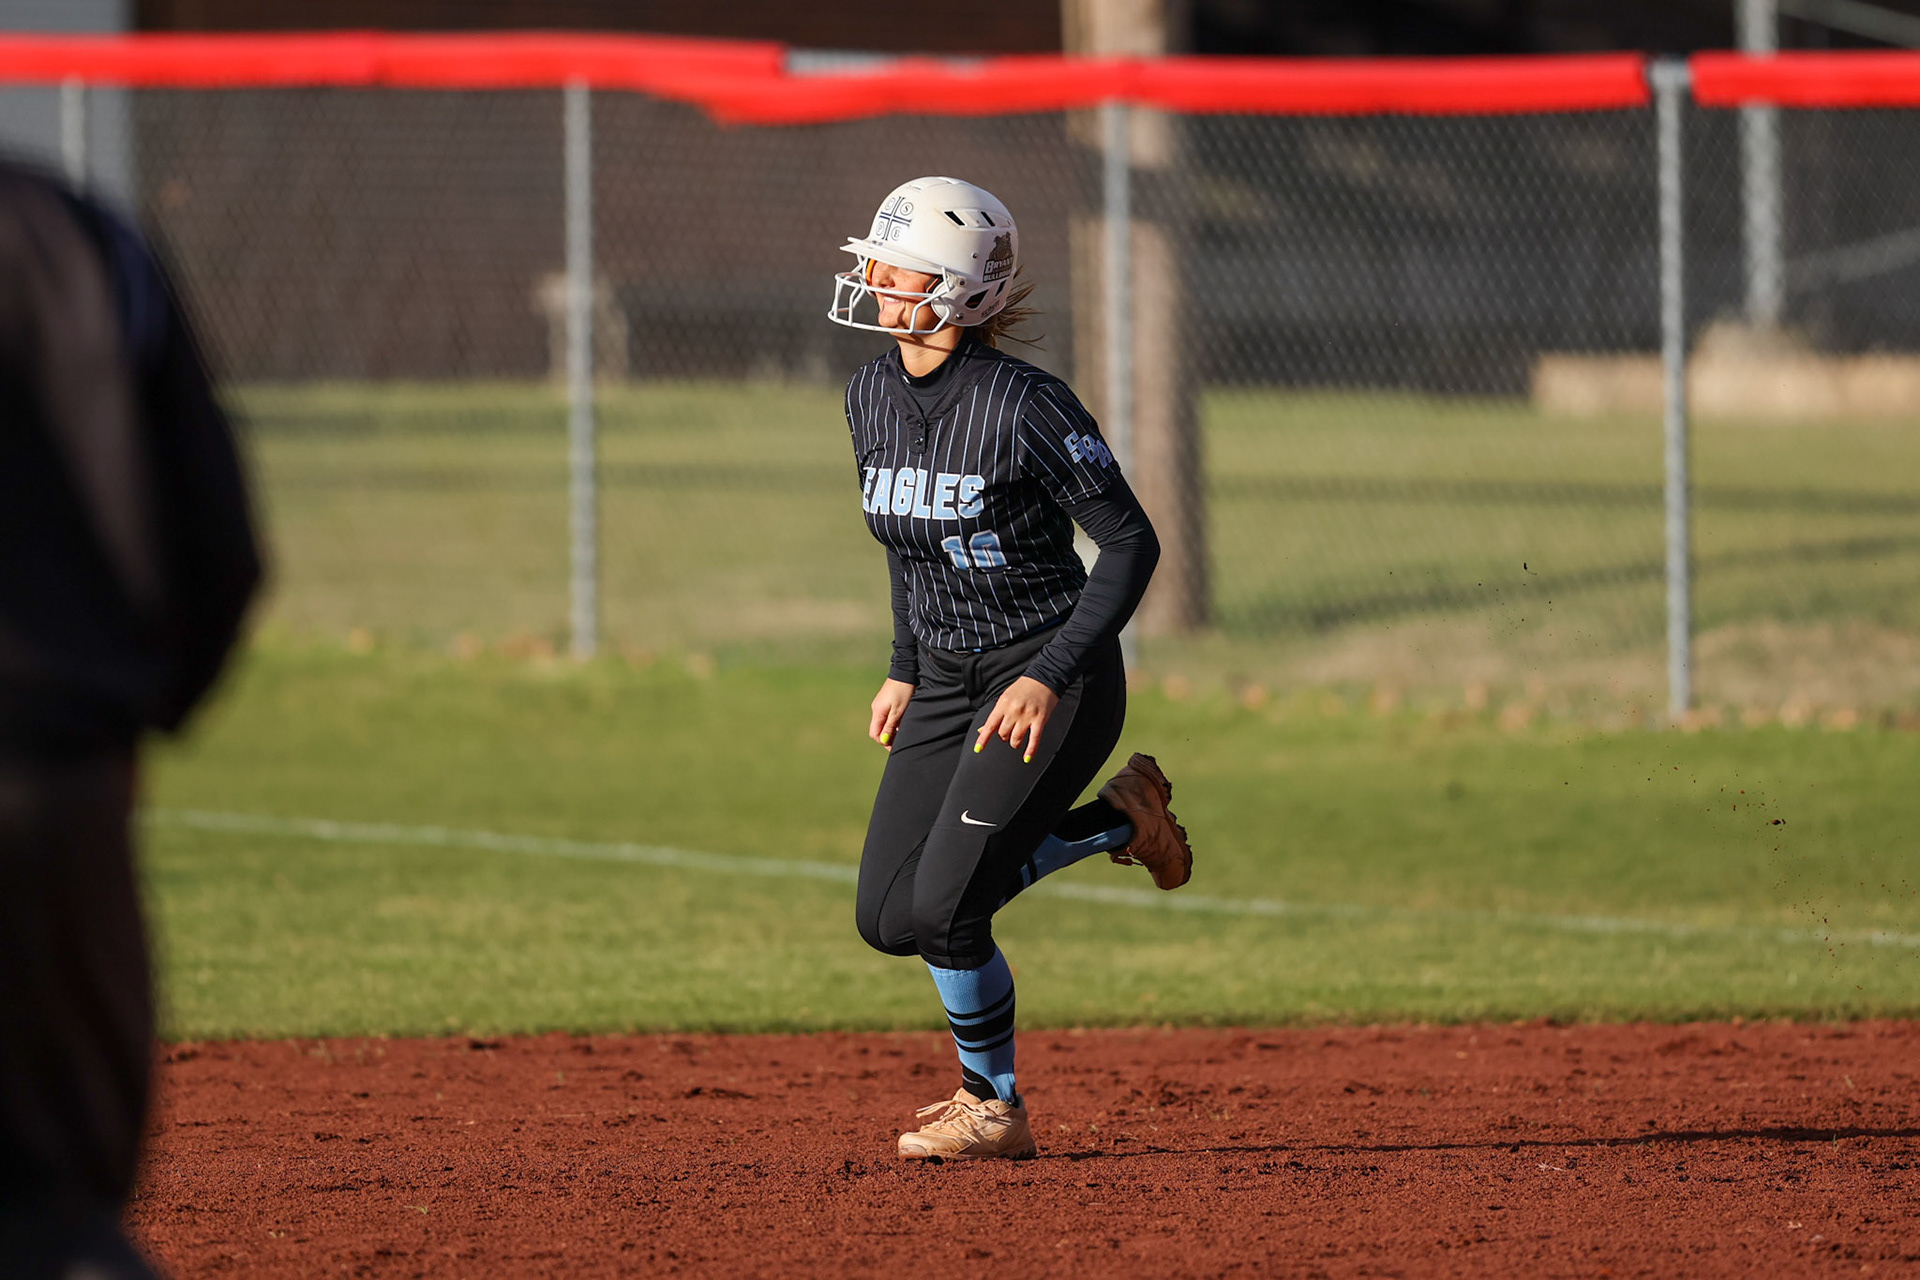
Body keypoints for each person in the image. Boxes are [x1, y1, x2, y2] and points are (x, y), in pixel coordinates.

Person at [828, 176, 1193, 1161]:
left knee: (948, 907)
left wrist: (1050, 671)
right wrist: (904, 666)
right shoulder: (868, 393)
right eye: (877, 255)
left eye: (897, 264)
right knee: (889, 915)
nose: (872, 274)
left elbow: (1129, 542)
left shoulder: (1024, 402)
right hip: (945, 676)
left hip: (1050, 674)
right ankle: (1127, 821)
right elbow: (911, 549)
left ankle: (993, 1105)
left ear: (956, 291)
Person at [0, 157, 262, 1277]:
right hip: (57, 786)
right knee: (55, 1214)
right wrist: (119, 722)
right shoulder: (73, 235)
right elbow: (220, 551)